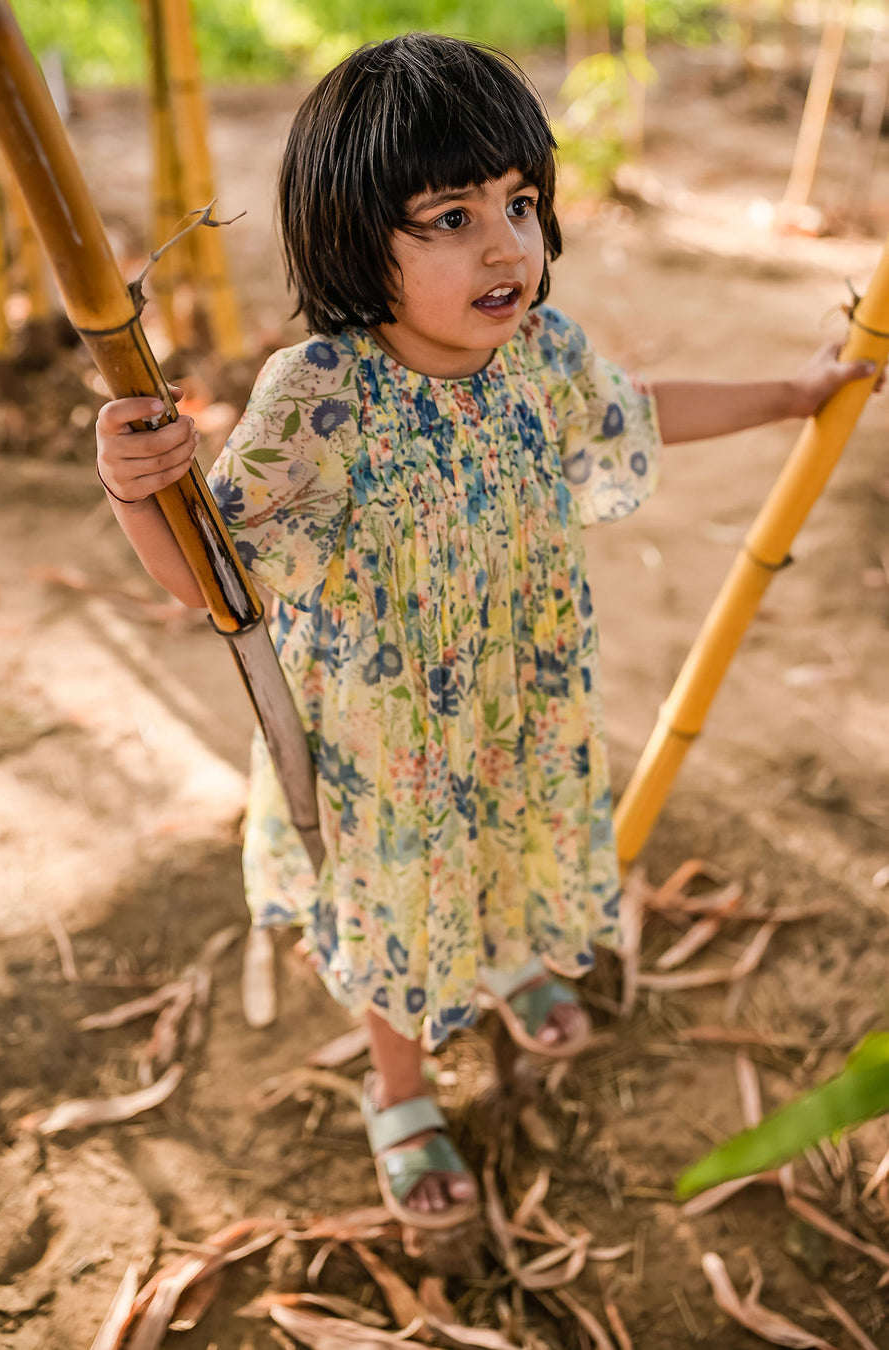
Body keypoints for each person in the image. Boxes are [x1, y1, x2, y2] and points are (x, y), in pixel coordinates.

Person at [95, 33, 878, 1230]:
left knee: (514, 849)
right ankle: (400, 1087)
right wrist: (135, 491)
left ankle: (510, 961)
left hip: (523, 705)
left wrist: (790, 393)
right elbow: (222, 583)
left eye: (519, 204)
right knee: (402, 912)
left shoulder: (540, 354)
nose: (507, 245)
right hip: (387, 752)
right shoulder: (323, 395)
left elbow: (635, 412)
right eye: (451, 219)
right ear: (357, 238)